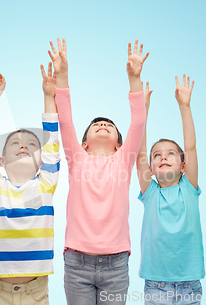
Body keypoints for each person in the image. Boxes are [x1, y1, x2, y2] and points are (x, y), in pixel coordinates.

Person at [50, 38, 147, 305]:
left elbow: (138, 122)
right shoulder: (77, 158)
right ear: (83, 143)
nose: (102, 124)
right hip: (77, 262)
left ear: (119, 143)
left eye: (108, 124)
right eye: (96, 124)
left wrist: (134, 79)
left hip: (116, 264)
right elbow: (65, 119)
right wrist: (63, 75)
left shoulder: (124, 161)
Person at [0, 69, 60, 305]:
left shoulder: (46, 183)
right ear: (1, 161)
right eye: (15, 143)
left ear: (41, 163)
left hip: (35, 290)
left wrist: (48, 97)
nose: (23, 146)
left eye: (32, 145)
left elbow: (52, 141)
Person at [136, 75, 204, 305]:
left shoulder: (189, 187)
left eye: (171, 153)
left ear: (183, 166)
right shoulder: (150, 192)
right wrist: (142, 113)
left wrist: (185, 107)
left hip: (189, 284)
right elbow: (139, 152)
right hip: (156, 284)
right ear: (151, 169)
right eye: (157, 155)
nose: (163, 156)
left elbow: (191, 148)